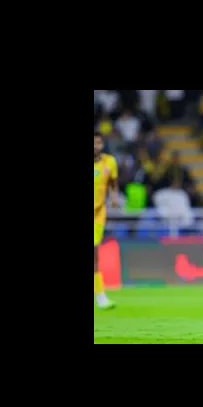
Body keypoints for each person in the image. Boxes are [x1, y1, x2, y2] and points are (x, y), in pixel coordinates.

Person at [94, 132, 120, 310]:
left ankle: (100, 296)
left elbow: (113, 182)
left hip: (97, 214)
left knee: (95, 254)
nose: (95, 146)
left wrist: (114, 196)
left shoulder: (110, 162)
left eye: (98, 142)